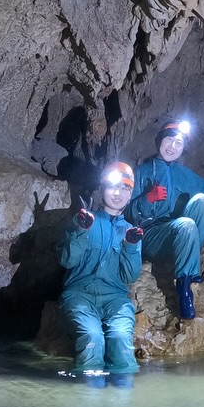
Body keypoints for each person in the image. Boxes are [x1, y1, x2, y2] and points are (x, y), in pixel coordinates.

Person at [129, 118, 204, 320]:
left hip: (182, 234)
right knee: (186, 224)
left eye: (179, 143)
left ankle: (188, 271)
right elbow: (127, 213)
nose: (173, 146)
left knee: (202, 199)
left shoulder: (184, 174)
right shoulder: (140, 173)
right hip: (151, 236)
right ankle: (185, 289)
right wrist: (148, 199)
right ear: (159, 141)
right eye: (169, 140)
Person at [59, 161, 145, 378]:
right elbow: (67, 261)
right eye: (113, 187)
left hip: (116, 299)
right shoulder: (84, 220)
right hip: (80, 295)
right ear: (102, 188)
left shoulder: (130, 231)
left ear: (131, 193)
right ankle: (90, 402)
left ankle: (122, 405)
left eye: (125, 188)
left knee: (121, 341)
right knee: (93, 339)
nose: (118, 193)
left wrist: (131, 246)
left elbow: (129, 276)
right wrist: (81, 231)